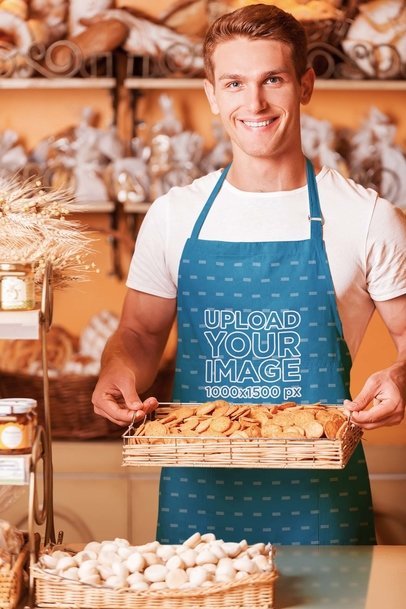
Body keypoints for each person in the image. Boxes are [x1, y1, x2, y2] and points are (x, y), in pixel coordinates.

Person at [92, 3, 406, 545]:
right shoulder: (174, 214)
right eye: (234, 83)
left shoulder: (367, 216)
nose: (254, 102)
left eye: (273, 80)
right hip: (199, 509)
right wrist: (116, 371)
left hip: (321, 509)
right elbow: (140, 334)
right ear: (212, 94)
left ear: (305, 85)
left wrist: (401, 379)